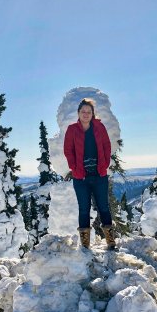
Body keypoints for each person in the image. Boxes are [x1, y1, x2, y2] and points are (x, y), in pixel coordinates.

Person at [63, 98, 116, 250]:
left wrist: (105, 163)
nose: (86, 114)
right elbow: (68, 151)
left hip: (99, 175)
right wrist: (74, 168)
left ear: (93, 114)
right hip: (81, 178)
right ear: (78, 113)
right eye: (83, 111)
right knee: (83, 209)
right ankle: (85, 244)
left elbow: (106, 145)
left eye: (89, 112)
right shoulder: (72, 129)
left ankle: (111, 241)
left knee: (104, 207)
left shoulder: (99, 127)